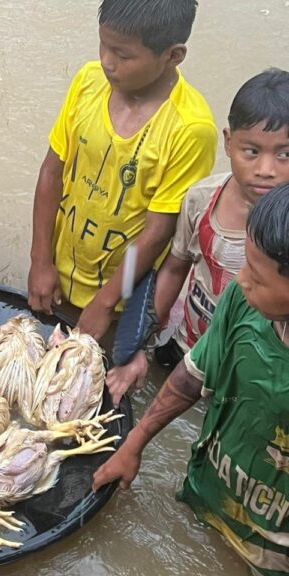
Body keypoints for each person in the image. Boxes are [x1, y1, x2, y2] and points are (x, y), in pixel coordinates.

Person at [94, 183, 289, 575]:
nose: (241, 279)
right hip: (208, 492)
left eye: (258, 276)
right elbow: (192, 375)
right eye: (245, 263)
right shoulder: (241, 301)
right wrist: (135, 442)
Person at [27, 0, 217, 342]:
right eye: (103, 44)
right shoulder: (88, 82)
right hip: (57, 275)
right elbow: (51, 173)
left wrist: (105, 303)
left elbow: (158, 232)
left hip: (120, 301)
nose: (106, 61)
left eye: (123, 55)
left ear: (173, 55)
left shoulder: (190, 129)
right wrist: (40, 260)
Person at [107, 68, 289, 405]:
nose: (266, 169)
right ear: (228, 142)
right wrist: (139, 346)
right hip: (186, 346)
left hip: (250, 376)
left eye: (285, 154)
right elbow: (174, 269)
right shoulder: (201, 200)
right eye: (251, 151)